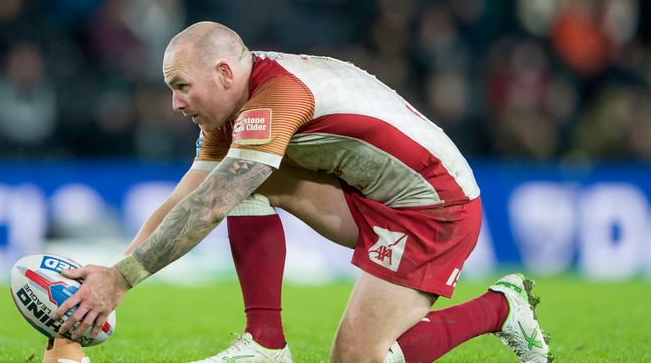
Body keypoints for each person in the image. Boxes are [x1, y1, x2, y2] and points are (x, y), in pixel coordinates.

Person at [45, 21, 553, 363]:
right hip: (367, 196)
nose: (176, 104)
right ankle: (265, 342)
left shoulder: (275, 97)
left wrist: (123, 281)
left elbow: (212, 203)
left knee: (355, 360)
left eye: (181, 86)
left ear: (224, 73)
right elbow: (186, 198)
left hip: (434, 205)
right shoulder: (234, 107)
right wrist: (113, 275)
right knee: (237, 179)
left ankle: (502, 307)